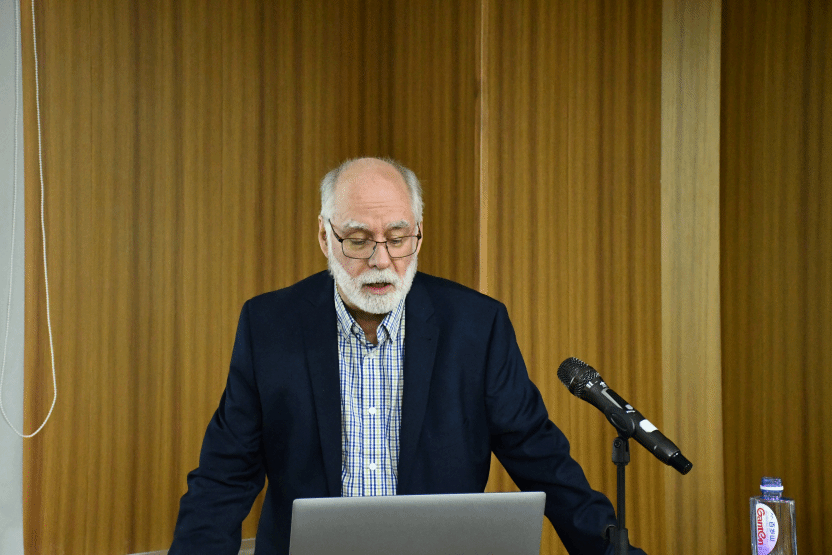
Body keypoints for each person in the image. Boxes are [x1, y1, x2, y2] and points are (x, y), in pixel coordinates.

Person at [169, 157, 646, 555]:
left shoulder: (476, 327)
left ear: (419, 233)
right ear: (324, 237)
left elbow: (543, 461)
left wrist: (610, 549)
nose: (381, 261)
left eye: (397, 239)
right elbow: (223, 479)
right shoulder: (269, 325)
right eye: (358, 240)